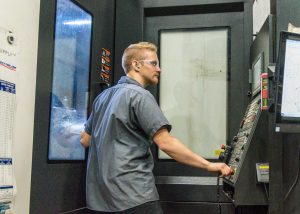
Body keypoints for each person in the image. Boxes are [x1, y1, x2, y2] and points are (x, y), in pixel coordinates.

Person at [80, 42, 233, 214]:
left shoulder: (102, 97)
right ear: (136, 65)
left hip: (100, 202)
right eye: (153, 63)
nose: (158, 69)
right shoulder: (140, 96)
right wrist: (209, 166)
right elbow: (166, 143)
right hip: (134, 198)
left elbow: (85, 140)